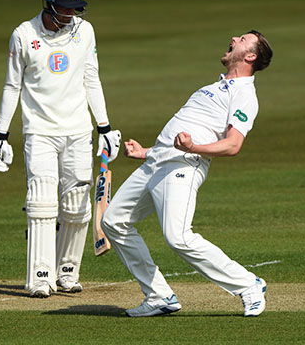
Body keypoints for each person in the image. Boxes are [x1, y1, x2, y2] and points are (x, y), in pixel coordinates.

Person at [101, 30, 273, 317]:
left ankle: (248, 285)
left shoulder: (245, 94)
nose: (233, 38)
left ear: (251, 56)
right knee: (114, 222)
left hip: (184, 165)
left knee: (178, 237)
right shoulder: (212, 87)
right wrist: (146, 151)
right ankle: (158, 297)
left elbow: (233, 145)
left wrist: (194, 146)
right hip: (156, 162)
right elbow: (185, 129)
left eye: (242, 40)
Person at [0, 0, 121, 299]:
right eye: (66, 9)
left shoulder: (84, 32)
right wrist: (0, 135)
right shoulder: (24, 35)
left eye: (76, 9)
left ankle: (67, 272)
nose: (72, 15)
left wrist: (104, 127)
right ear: (48, 5)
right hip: (40, 132)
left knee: (77, 205)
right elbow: (11, 86)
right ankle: (39, 277)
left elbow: (92, 78)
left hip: (78, 130)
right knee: (42, 202)